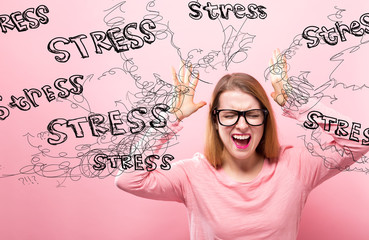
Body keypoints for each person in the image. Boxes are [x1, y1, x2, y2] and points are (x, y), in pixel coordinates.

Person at [115, 50, 369, 239]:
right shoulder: (191, 175)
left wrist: (296, 102)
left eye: (252, 114)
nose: (242, 125)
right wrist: (171, 118)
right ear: (215, 121)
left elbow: (360, 139)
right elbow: (128, 179)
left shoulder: (297, 166)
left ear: (265, 119)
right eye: (229, 115)